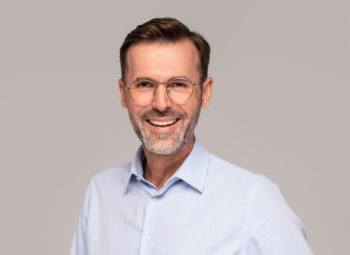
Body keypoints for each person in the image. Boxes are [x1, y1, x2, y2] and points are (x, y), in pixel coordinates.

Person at [70, 17, 313, 255]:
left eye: (178, 84)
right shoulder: (101, 193)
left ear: (205, 93)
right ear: (123, 93)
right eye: (145, 84)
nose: (161, 103)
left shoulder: (254, 200)